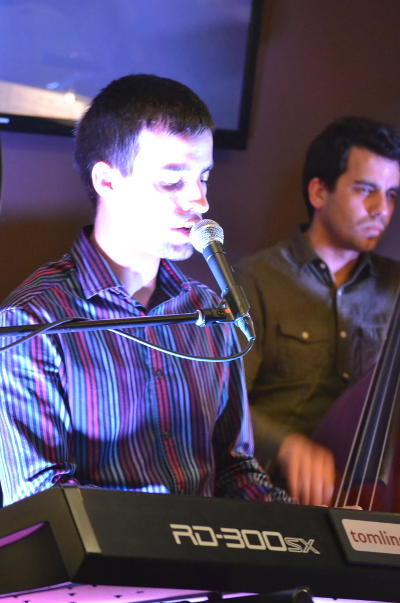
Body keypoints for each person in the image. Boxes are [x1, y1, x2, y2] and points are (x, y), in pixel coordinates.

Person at [0, 74, 290, 508]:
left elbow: (232, 467)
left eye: (203, 177)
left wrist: (310, 532)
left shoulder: (209, 312)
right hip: (105, 573)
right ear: (108, 182)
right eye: (173, 181)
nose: (199, 201)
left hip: (205, 568)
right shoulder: (33, 321)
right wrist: (173, 530)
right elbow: (41, 500)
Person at [237, 116, 400, 507]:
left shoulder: (395, 286)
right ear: (319, 193)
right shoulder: (256, 278)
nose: (382, 209)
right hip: (274, 494)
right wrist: (286, 446)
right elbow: (223, 403)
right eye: (366, 191)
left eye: (393, 195)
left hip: (375, 499)